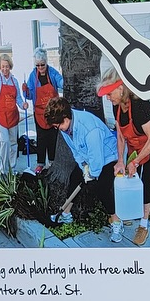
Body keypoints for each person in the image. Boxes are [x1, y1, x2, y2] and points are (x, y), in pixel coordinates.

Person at [99, 68, 150, 246]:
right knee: (130, 177)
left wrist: (135, 162)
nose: (107, 98)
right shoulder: (116, 106)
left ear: (121, 88)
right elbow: (121, 135)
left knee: (147, 181)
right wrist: (121, 161)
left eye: (109, 93)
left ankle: (143, 225)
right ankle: (129, 211)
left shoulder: (140, 105)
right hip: (135, 142)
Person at [42, 96, 121, 241]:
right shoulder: (65, 128)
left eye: (57, 125)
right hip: (89, 156)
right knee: (74, 177)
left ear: (66, 119)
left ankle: (116, 221)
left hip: (108, 156)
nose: (57, 129)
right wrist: (84, 166)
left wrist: (93, 174)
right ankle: (65, 213)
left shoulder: (89, 129)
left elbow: (97, 155)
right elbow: (75, 151)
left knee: (102, 187)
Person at [23, 47, 64, 173]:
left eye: (42, 64)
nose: (40, 67)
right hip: (39, 113)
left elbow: (62, 83)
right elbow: (29, 96)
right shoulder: (32, 75)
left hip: (53, 112)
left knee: (53, 137)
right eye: (38, 65)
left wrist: (65, 80)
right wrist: (25, 91)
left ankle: (52, 161)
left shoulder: (52, 73)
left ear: (46, 63)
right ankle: (40, 163)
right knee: (41, 138)